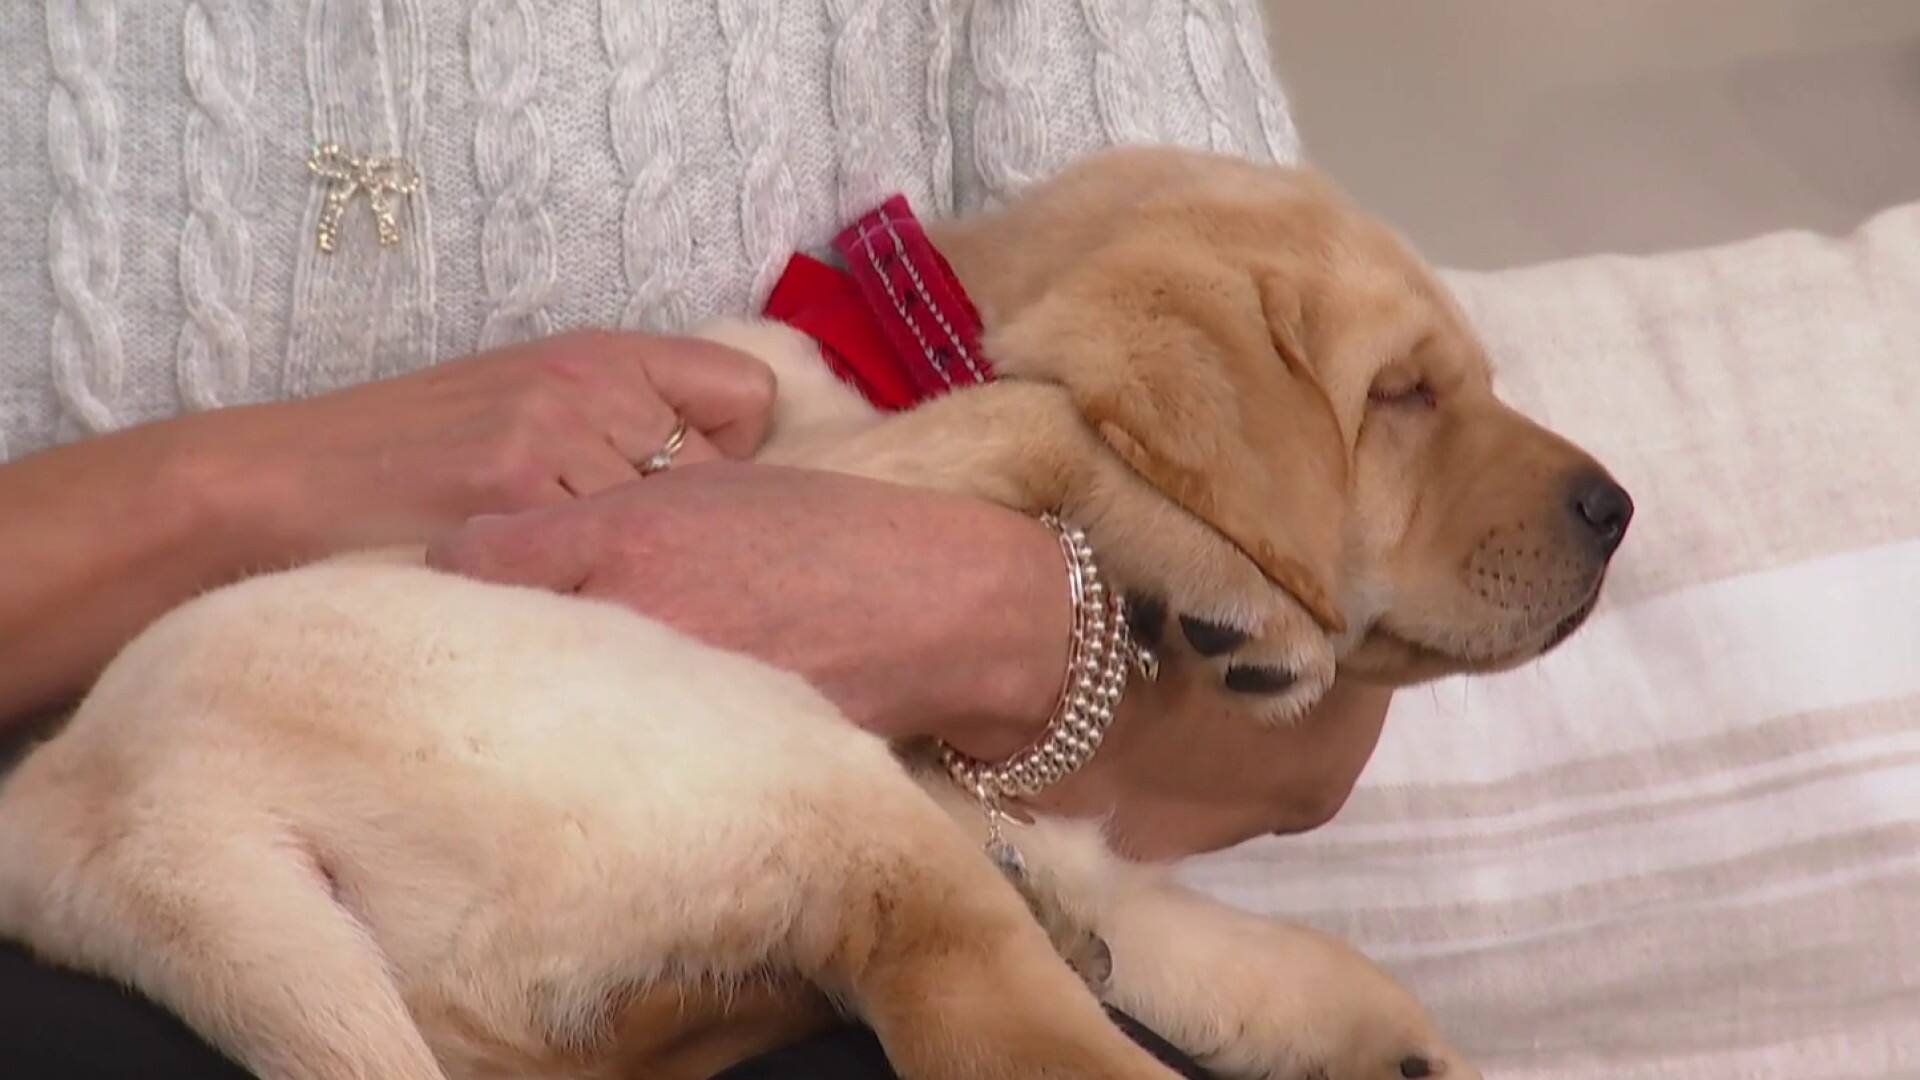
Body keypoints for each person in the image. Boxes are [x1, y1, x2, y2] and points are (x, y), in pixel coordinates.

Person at [0, 4, 1381, 1075]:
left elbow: (1316, 721)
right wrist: (240, 485)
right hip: (88, 920)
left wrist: (976, 619)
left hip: (806, 970)